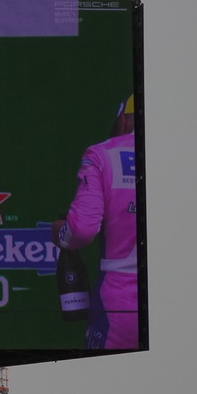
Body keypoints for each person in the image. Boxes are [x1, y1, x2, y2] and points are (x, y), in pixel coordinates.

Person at [52, 95, 138, 349]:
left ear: (123, 120)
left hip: (121, 301)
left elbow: (81, 230)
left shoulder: (103, 154)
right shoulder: (186, 159)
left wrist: (61, 234)